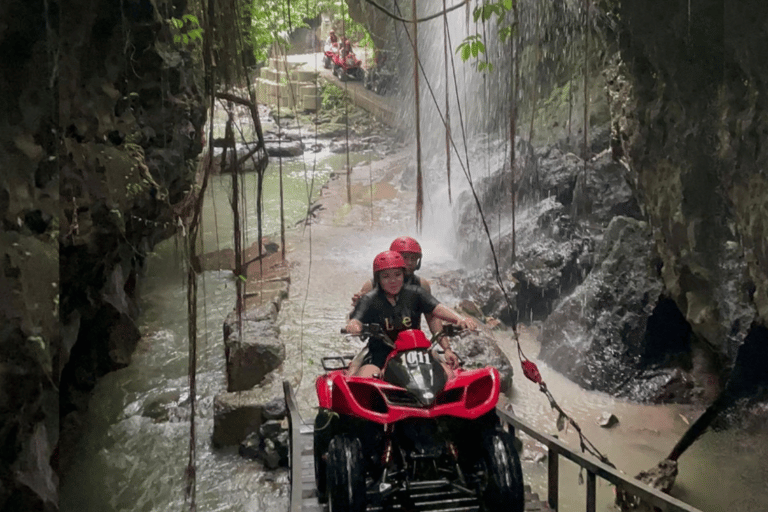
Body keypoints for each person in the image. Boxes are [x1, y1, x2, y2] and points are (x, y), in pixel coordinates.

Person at [346, 250, 476, 378]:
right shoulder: (369, 298)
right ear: (378, 278)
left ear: (404, 275)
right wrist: (354, 326)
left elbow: (437, 308)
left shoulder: (416, 293)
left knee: (448, 375)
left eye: (397, 275)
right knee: (365, 377)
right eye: (386, 276)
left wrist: (460, 319)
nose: (393, 281)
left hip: (417, 350)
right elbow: (356, 319)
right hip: (380, 353)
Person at [351, 236, 431, 305]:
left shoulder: (421, 284)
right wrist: (358, 304)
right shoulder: (372, 285)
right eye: (405, 257)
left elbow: (432, 315)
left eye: (413, 259)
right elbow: (355, 317)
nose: (409, 262)